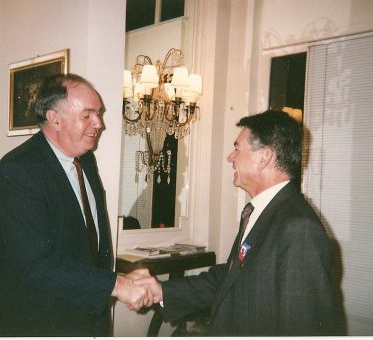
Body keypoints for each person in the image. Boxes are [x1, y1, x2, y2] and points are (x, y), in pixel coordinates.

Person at [135, 110, 337, 336]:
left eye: (237, 149)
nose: (230, 157)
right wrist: (161, 290)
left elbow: (302, 328)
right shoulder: (263, 212)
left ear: (265, 157)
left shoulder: (298, 228)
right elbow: (229, 279)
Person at [0, 73, 151, 337]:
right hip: (34, 324)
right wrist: (118, 285)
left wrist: (118, 282)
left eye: (99, 114)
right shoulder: (16, 172)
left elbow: (86, 246)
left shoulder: (86, 161)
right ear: (54, 119)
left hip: (86, 319)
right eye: (88, 115)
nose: (99, 124)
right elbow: (34, 266)